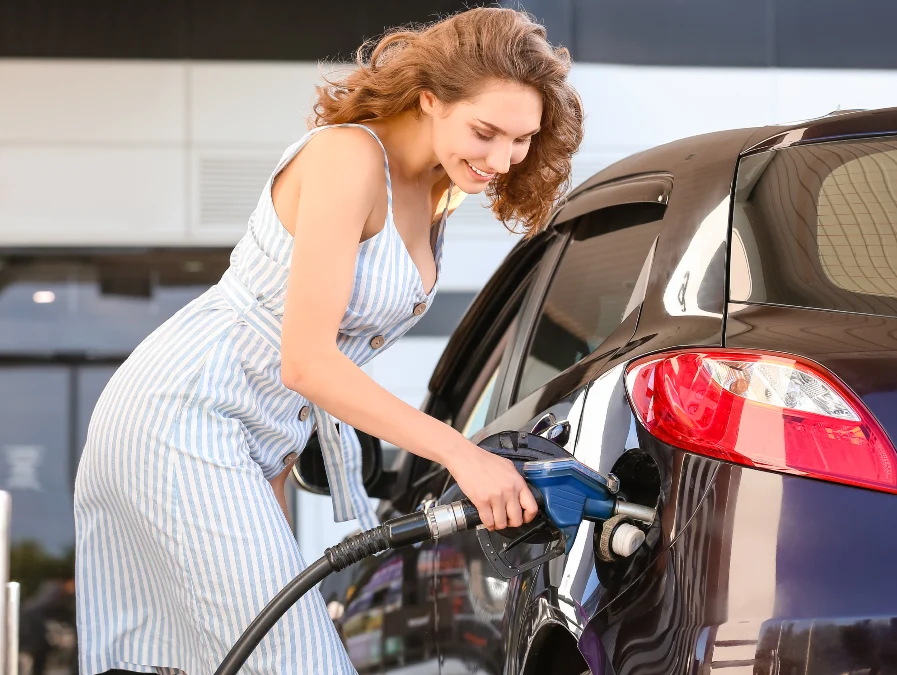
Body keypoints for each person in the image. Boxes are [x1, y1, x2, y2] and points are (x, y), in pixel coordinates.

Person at [72, 8, 583, 674]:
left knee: (239, 653)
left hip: (254, 434)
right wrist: (464, 455)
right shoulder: (348, 159)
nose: (501, 160)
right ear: (430, 98)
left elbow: (286, 398)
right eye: (484, 132)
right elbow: (306, 361)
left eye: (521, 139)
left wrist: (275, 502)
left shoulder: (439, 192)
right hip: (182, 408)